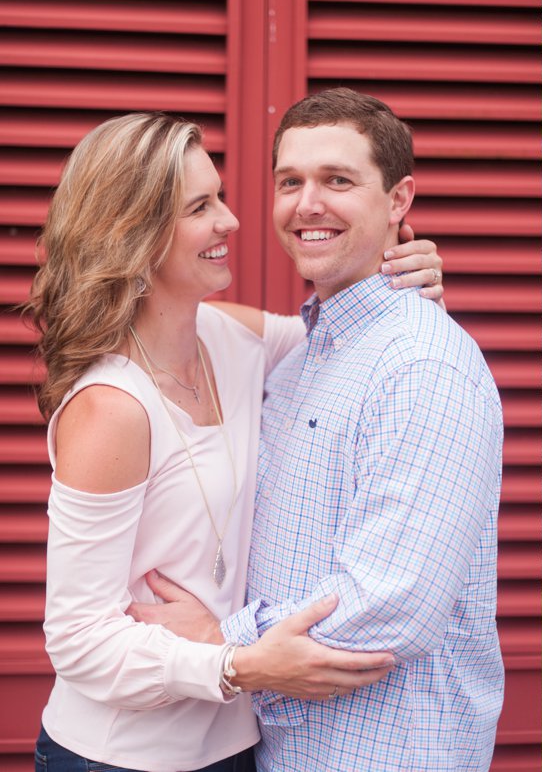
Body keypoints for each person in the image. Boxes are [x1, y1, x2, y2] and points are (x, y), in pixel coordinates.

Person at [23, 111, 446, 771]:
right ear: (135, 234)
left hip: (236, 746)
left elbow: (357, 341)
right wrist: (236, 664)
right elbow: (78, 640)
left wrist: (408, 274)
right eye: (200, 207)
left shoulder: (232, 338)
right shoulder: (112, 407)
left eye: (218, 196)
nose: (232, 220)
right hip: (119, 755)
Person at [130, 89, 505, 771]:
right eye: (289, 182)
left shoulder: (422, 365)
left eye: (337, 180)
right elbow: (160, 316)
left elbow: (392, 607)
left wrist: (220, 641)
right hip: (284, 749)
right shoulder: (300, 357)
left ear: (398, 200)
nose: (307, 204)